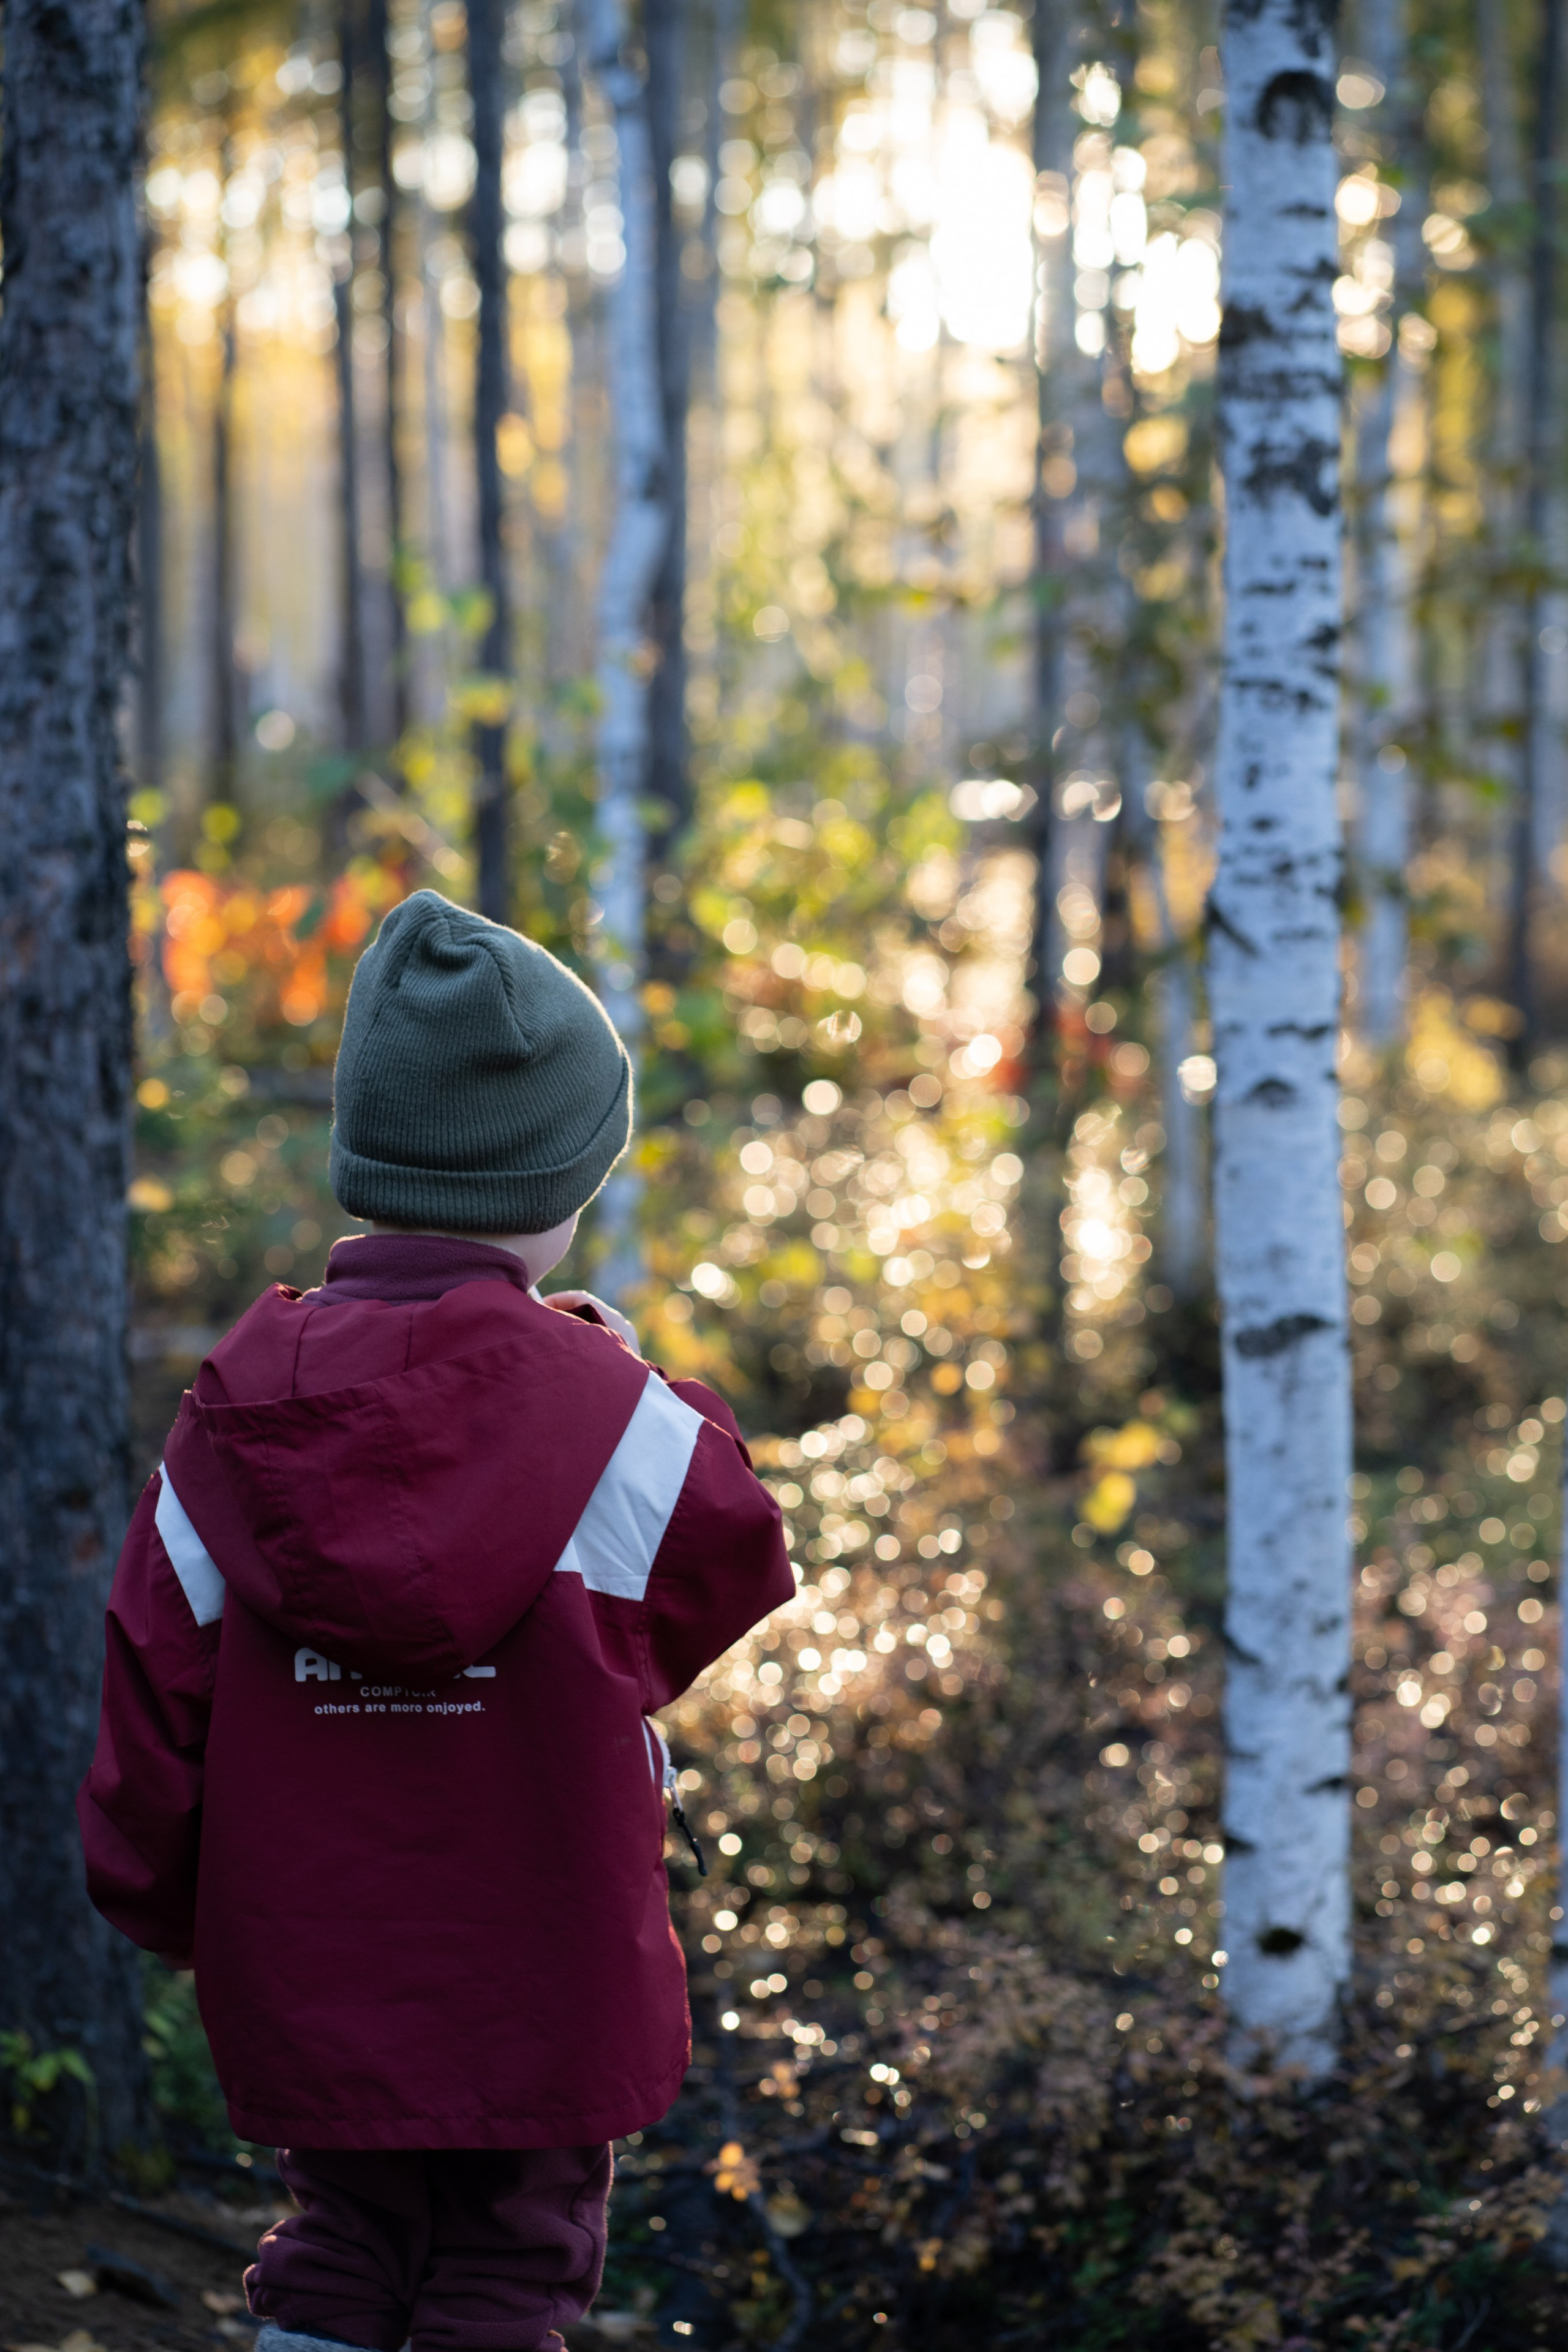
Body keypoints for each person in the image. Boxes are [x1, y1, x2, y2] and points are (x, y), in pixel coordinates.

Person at [79, 890, 793, 2352]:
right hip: (542, 1973)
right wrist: (611, 1371)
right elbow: (729, 1552)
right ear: (556, 1181)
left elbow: (156, 1695)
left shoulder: (229, 1423)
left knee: (339, 2239)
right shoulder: (614, 1422)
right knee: (510, 2269)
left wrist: (165, 1902)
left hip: (310, 1959)